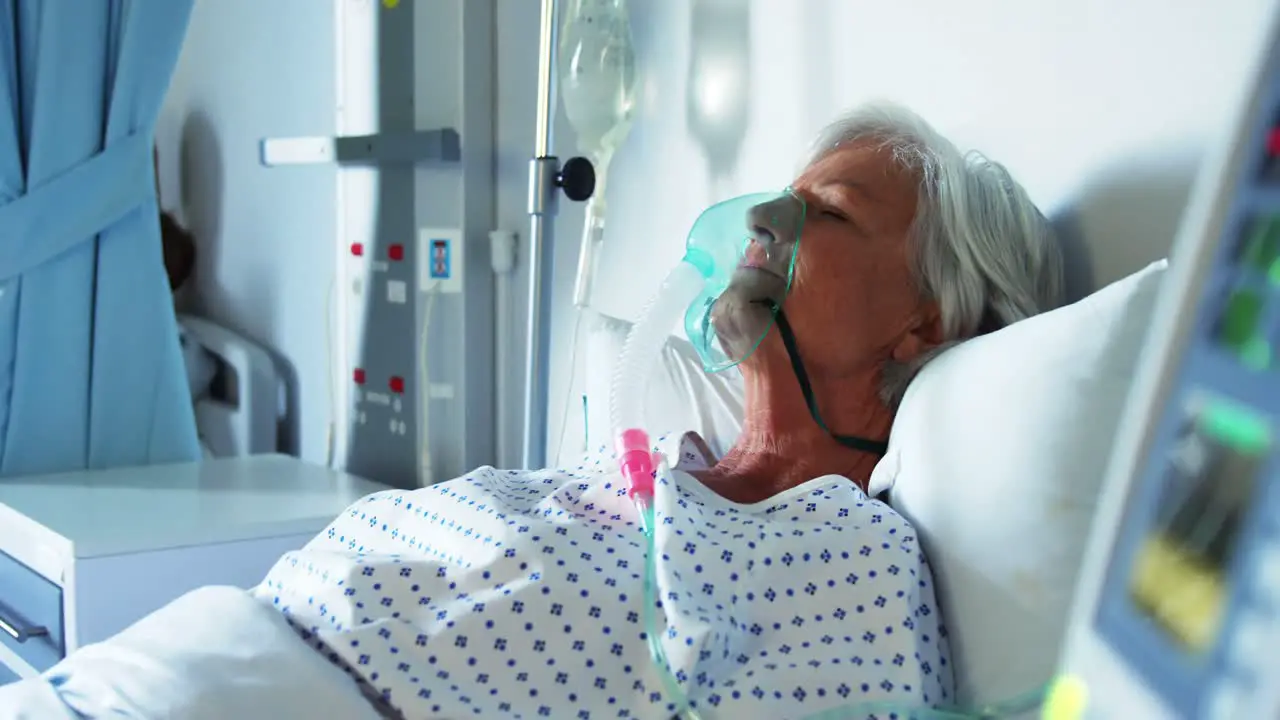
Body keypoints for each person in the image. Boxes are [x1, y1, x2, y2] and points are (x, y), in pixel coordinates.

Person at [253, 103, 1065, 719]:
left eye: (831, 210)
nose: (761, 222)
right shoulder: (638, 464)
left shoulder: (853, 560)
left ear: (925, 324)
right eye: (782, 198)